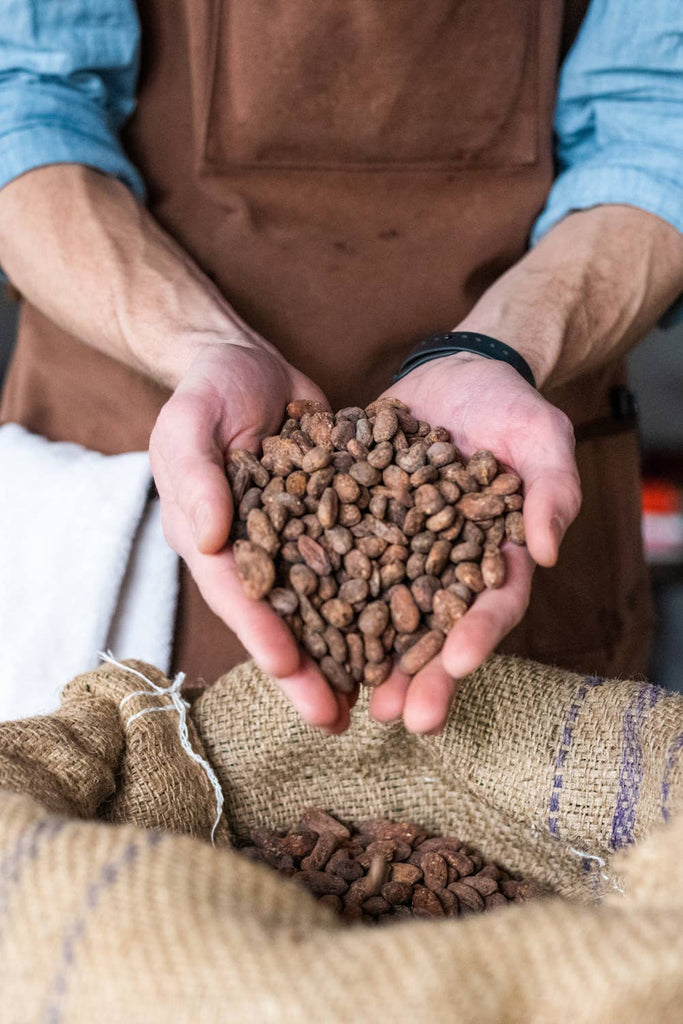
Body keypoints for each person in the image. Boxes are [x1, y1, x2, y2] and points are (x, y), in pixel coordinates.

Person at [0, 0, 682, 735]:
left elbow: (655, 128)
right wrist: (202, 346)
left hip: (518, 419)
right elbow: (24, 95)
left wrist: (496, 350)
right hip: (137, 416)